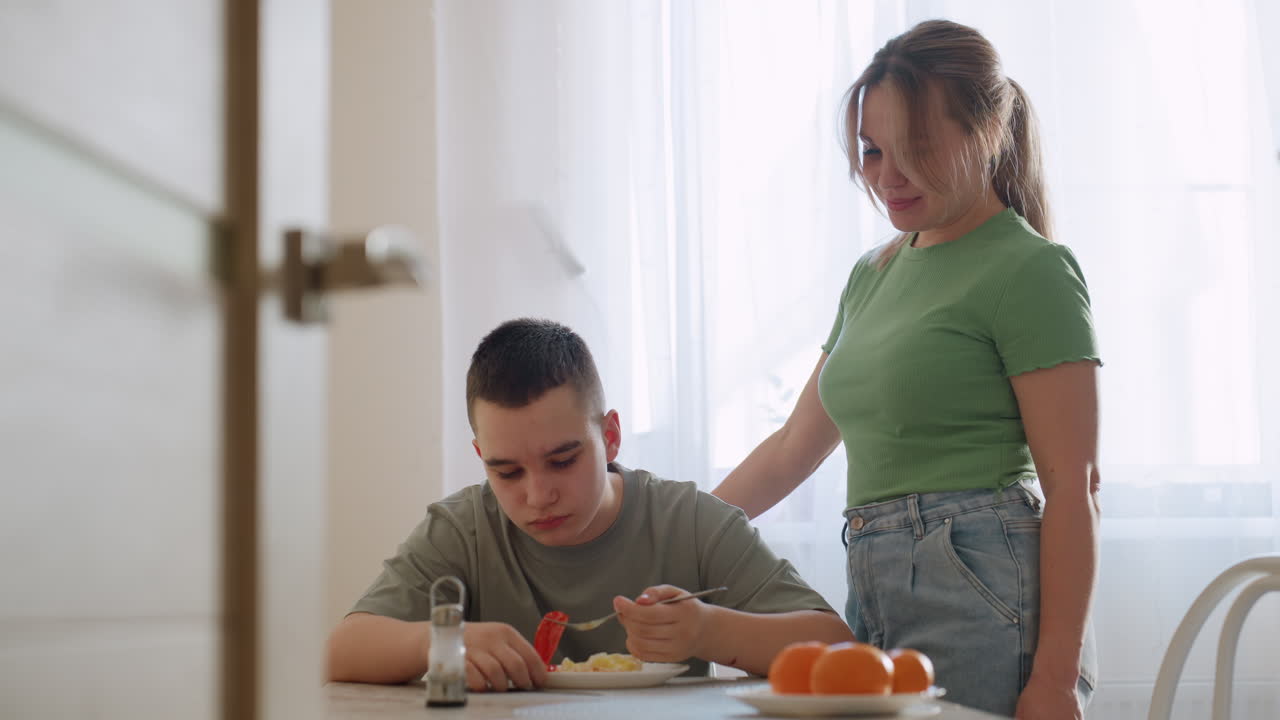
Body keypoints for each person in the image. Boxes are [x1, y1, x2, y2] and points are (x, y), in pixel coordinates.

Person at [711, 19, 1100, 719]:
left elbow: (1073, 492)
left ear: (985, 133)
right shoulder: (874, 273)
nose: (886, 177)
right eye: (870, 151)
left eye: (916, 149)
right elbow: (793, 448)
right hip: (876, 578)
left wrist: (1055, 681)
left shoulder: (1031, 269)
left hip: (981, 584)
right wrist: (686, 531)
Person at [327, 318, 853, 691]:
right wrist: (443, 640)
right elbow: (343, 650)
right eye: (505, 471)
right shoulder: (462, 529)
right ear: (480, 455)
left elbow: (837, 648)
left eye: (563, 460)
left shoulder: (689, 521)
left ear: (611, 436)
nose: (538, 495)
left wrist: (711, 630)